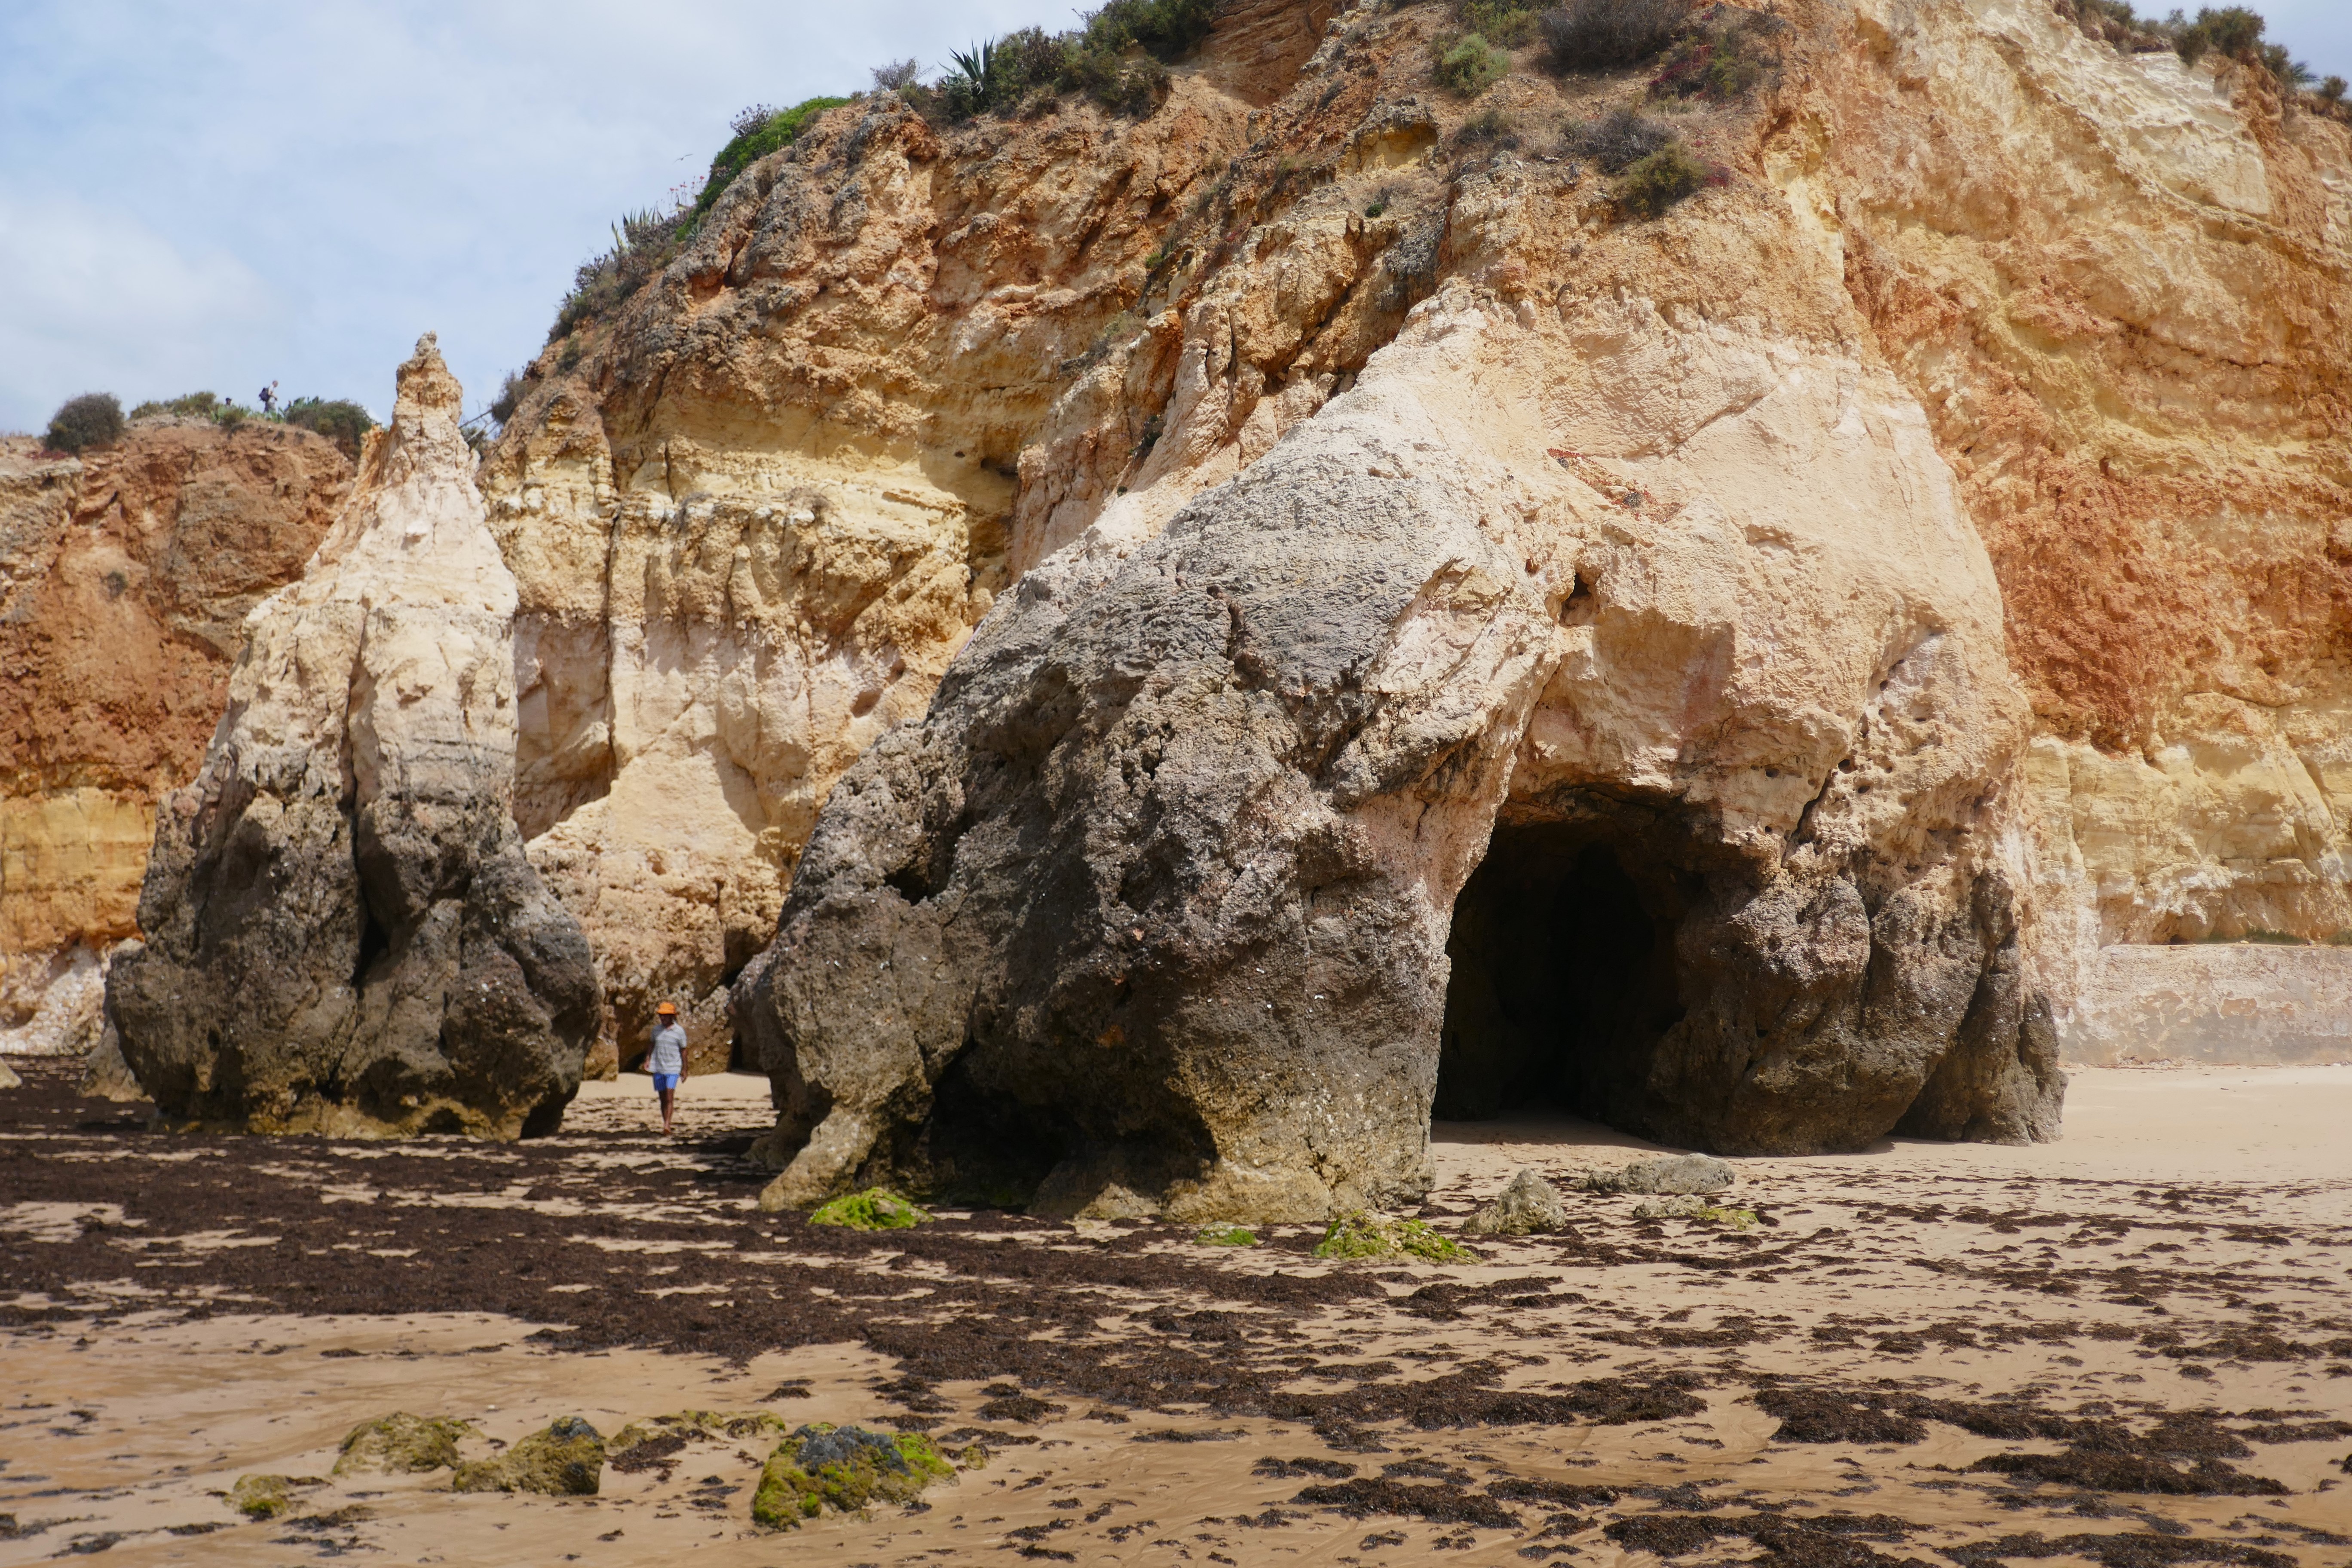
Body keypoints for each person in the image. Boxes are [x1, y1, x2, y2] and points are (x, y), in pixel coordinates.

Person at [648, 1001, 687, 1134]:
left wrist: (685, 1069)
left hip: (673, 1068)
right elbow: (651, 1045)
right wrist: (648, 1060)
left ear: (672, 1017)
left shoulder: (679, 1031)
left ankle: (667, 1125)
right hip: (658, 1068)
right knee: (662, 1098)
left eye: (665, 1016)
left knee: (670, 1096)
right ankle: (665, 1122)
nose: (663, 1018)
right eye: (661, 1016)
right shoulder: (656, 1031)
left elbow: (684, 1051)